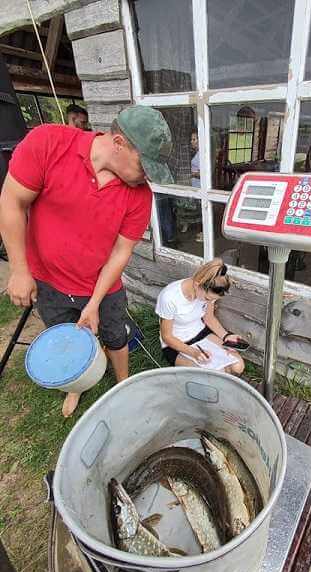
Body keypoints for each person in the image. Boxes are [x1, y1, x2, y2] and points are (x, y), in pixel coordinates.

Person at [0, 105, 174, 417]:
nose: (147, 175)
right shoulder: (49, 143)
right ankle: (75, 386)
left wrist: (93, 302)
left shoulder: (139, 195)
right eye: (144, 164)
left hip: (102, 287)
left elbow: (121, 253)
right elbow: (12, 200)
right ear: (119, 142)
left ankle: (123, 384)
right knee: (66, 336)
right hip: (49, 279)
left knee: (115, 336)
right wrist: (20, 270)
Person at [155, 259, 245, 374]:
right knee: (216, 375)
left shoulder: (210, 289)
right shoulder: (169, 297)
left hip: (200, 333)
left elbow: (209, 318)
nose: (210, 302)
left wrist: (226, 336)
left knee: (238, 366)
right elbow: (167, 337)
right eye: (208, 299)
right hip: (177, 343)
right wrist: (194, 353)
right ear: (197, 285)